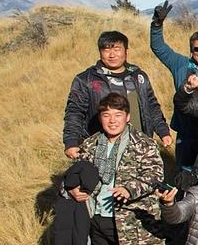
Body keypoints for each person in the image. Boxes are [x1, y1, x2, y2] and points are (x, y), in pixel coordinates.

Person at [70, 93, 166, 245]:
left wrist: (129, 189)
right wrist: (74, 189)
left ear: (127, 117)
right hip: (98, 215)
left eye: (117, 114)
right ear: (100, 118)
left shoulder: (143, 143)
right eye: (106, 115)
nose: (112, 120)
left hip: (131, 219)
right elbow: (76, 172)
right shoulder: (91, 144)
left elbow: (154, 174)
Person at [63, 30, 172, 159]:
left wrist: (163, 131)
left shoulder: (138, 76)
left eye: (117, 49)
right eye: (106, 50)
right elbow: (74, 112)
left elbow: (152, 106)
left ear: (126, 51)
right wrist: (71, 142)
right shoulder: (86, 80)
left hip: (139, 146)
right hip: (101, 147)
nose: (112, 55)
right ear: (100, 52)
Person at [147, 1, 198, 165]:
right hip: (185, 131)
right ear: (191, 50)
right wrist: (157, 25)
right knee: (184, 171)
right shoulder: (180, 63)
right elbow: (158, 47)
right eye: (197, 49)